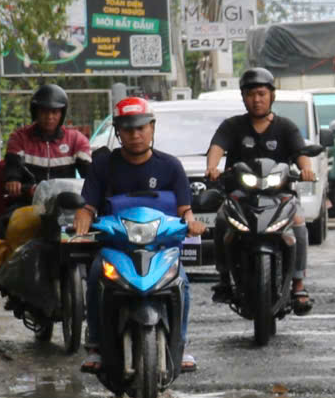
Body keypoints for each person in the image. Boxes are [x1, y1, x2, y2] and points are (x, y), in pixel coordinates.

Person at [74, 98, 197, 373]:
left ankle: (182, 344)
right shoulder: (104, 166)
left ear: (152, 128)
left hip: (161, 248)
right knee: (96, 276)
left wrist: (192, 222)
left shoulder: (171, 167)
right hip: (117, 248)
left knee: (183, 283)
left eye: (141, 127)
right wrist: (82, 217)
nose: (135, 134)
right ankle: (95, 344)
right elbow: (88, 206)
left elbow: (185, 210)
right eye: (128, 129)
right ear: (118, 131)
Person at [205, 66, 316, 314]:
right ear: (243, 97)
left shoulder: (286, 127)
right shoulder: (232, 126)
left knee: (298, 222)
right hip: (241, 195)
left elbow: (300, 153)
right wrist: (212, 167)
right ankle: (224, 278)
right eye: (251, 94)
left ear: (271, 96)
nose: (257, 99)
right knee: (222, 219)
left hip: (280, 195)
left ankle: (298, 284)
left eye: (262, 94)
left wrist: (306, 170)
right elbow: (217, 147)